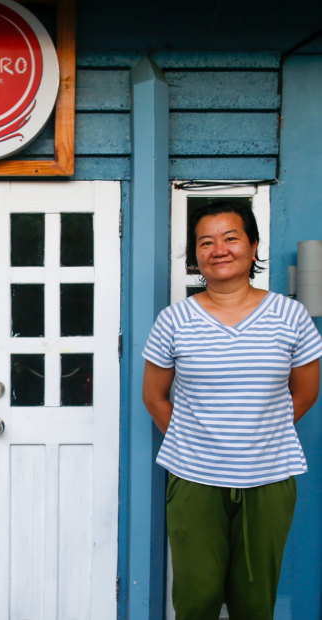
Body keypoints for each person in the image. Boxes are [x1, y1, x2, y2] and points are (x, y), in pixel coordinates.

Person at [142, 201, 322, 620]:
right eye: (206, 242)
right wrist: (196, 440)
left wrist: (257, 434)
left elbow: (307, 393)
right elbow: (154, 397)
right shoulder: (174, 320)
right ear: (196, 255)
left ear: (253, 246)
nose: (218, 249)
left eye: (230, 238)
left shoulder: (291, 316)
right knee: (197, 599)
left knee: (254, 603)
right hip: (194, 478)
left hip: (269, 477)